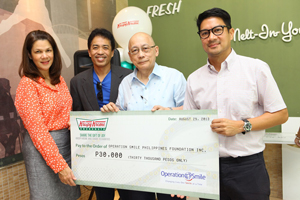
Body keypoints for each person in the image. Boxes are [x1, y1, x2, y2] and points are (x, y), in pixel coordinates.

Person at [181, 8, 288, 200]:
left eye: (217, 30)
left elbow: (281, 114)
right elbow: (190, 126)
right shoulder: (193, 79)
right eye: (205, 33)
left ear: (231, 33)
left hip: (248, 169)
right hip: (208, 167)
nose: (211, 37)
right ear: (201, 38)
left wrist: (241, 126)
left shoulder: (255, 69)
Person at [101, 32, 187, 200]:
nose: (141, 54)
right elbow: (121, 118)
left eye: (145, 49)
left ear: (156, 50)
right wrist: (112, 112)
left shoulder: (175, 77)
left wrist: (169, 112)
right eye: (135, 50)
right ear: (130, 56)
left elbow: (192, 113)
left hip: (171, 161)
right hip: (136, 163)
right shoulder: (125, 83)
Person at [15, 30, 81, 200]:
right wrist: (60, 166)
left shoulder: (59, 79)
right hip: (41, 150)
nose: (44, 56)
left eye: (48, 50)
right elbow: (38, 132)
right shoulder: (27, 85)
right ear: (29, 55)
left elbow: (68, 115)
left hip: (64, 146)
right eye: (38, 52)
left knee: (69, 196)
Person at [70, 28, 132, 200]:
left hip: (124, 151)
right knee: (103, 196)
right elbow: (77, 118)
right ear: (89, 51)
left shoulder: (127, 76)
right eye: (95, 47)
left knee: (129, 195)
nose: (100, 52)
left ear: (112, 52)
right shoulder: (76, 82)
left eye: (105, 47)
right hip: (95, 154)